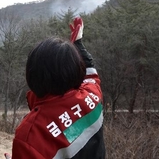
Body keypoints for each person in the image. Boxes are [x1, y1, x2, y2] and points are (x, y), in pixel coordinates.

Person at [10, 17, 106, 158]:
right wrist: (78, 45)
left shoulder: (30, 134)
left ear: (33, 74)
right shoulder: (92, 95)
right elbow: (91, 75)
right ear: (76, 68)